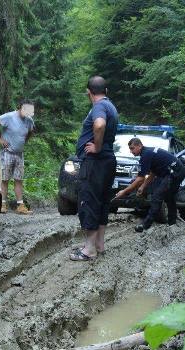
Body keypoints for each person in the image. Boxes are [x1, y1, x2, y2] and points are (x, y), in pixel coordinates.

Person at [70, 76, 118, 261]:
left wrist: (96, 147)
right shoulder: (111, 106)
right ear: (106, 91)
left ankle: (89, 250)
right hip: (107, 160)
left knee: (89, 201)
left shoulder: (99, 106)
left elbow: (99, 124)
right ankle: (99, 245)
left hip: (95, 162)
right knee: (102, 202)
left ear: (88, 92)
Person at [113, 137, 185, 232]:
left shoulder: (146, 155)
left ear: (140, 146)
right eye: (130, 149)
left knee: (157, 197)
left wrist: (124, 191)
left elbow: (140, 179)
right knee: (169, 197)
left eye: (132, 148)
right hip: (172, 172)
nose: (131, 151)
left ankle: (145, 226)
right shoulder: (147, 153)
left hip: (175, 172)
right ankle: (172, 224)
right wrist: (143, 187)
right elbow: (153, 173)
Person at [0, 100, 35, 215]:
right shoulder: (9, 116)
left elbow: (31, 131)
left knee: (19, 180)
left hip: (19, 154)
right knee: (4, 179)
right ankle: (2, 204)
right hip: (7, 152)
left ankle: (20, 206)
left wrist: (24, 141)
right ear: (20, 107)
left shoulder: (29, 120)